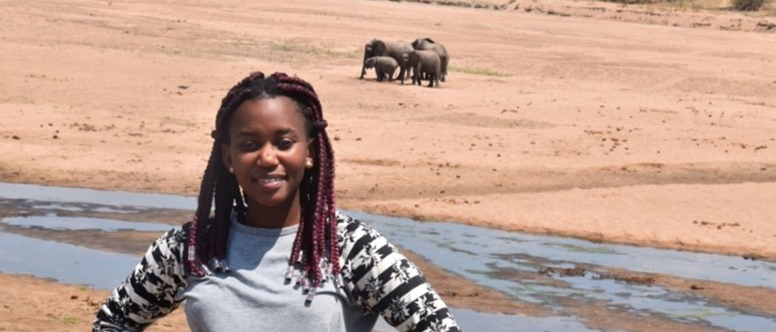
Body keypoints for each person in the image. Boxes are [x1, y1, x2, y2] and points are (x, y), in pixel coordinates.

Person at [92, 71, 460, 332]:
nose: (267, 158)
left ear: (311, 152)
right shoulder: (191, 248)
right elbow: (112, 322)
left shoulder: (350, 248)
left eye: (284, 143)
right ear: (227, 157)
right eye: (249, 145)